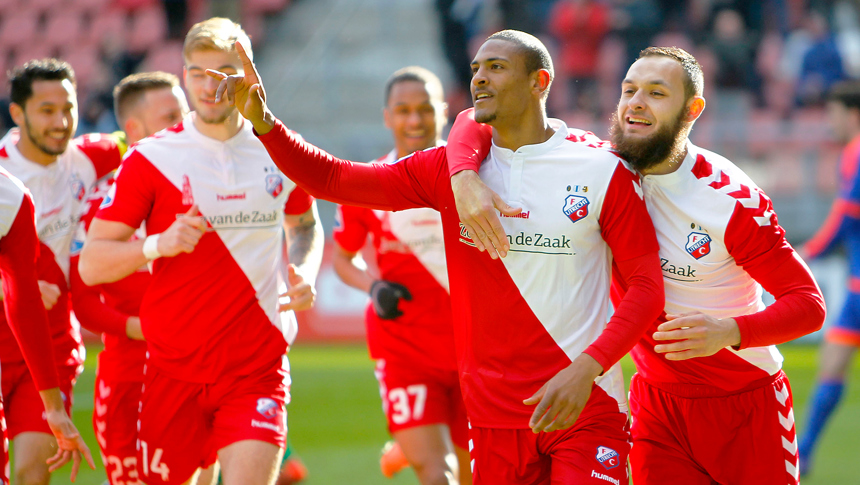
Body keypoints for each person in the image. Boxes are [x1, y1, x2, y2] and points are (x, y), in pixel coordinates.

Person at [211, 29, 665, 484]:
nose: (479, 79)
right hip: (494, 415)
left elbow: (646, 288)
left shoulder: (601, 169)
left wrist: (589, 368)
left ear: (539, 81)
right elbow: (334, 179)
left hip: (587, 404)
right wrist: (266, 123)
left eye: (496, 67)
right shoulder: (442, 170)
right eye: (475, 69)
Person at [445, 46, 826, 485]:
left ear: (692, 109)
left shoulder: (730, 200)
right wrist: (462, 175)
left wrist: (731, 331)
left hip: (745, 401)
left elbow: (809, 305)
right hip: (656, 408)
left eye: (656, 93)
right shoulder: (596, 167)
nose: (636, 103)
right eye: (629, 90)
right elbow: (470, 122)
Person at [79, 18, 324, 485]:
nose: (211, 87)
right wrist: (158, 244)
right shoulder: (151, 157)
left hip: (257, 366)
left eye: (225, 72)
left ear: (248, 72)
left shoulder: (279, 149)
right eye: (198, 73)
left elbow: (306, 224)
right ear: (185, 75)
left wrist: (306, 268)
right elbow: (92, 265)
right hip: (174, 369)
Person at [331, 66, 470, 484]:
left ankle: (407, 446)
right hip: (405, 350)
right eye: (403, 110)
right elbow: (342, 260)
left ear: (444, 111)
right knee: (436, 472)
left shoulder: (475, 175)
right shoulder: (369, 184)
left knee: (476, 475)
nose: (415, 120)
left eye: (425, 109)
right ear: (387, 116)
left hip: (474, 350)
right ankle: (417, 444)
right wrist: (373, 287)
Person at [0, 58, 123, 485]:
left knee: (34, 472)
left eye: (68, 108)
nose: (61, 122)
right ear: (18, 114)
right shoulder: (2, 178)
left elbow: (140, 140)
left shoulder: (90, 156)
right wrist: (9, 283)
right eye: (47, 110)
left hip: (49, 344)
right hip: (2, 336)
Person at [69, 71, 189, 485]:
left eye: (185, 113)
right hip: (127, 376)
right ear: (134, 129)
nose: (184, 123)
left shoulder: (205, 188)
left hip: (195, 369)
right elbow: (82, 302)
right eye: (171, 116)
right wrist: (139, 327)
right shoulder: (98, 207)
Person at [0, 166, 95, 484]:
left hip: (30, 355)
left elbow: (23, 302)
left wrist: (53, 407)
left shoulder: (10, 196)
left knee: (33, 472)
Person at [798, 80, 860, 476]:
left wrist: (808, 253)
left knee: (832, 363)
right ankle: (804, 452)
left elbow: (847, 213)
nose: (829, 123)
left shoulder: (857, 151)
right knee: (832, 361)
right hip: (856, 284)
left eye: (834, 114)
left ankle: (804, 451)